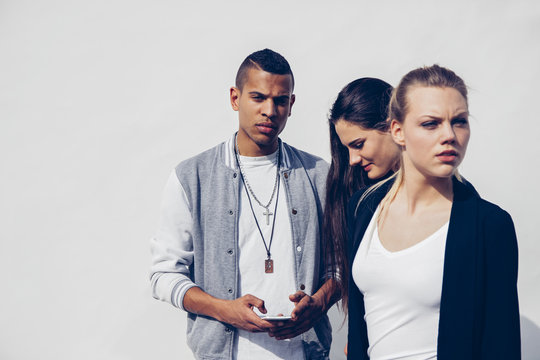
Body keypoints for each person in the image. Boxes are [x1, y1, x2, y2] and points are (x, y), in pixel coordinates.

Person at [150, 48, 339, 360]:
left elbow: (340, 266)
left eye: (280, 100)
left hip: (305, 353)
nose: (270, 110)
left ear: (291, 105)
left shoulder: (318, 175)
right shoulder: (192, 177)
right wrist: (225, 311)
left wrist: (319, 303)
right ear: (235, 98)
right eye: (258, 97)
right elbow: (163, 275)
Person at [347, 65, 520, 359]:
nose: (449, 135)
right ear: (398, 131)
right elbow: (359, 329)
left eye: (460, 121)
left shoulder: (489, 226)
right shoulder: (364, 208)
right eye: (431, 123)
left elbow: (501, 345)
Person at [323, 78, 400, 309]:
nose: (353, 160)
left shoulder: (453, 198)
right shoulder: (362, 203)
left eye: (358, 144)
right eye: (347, 149)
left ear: (391, 127)